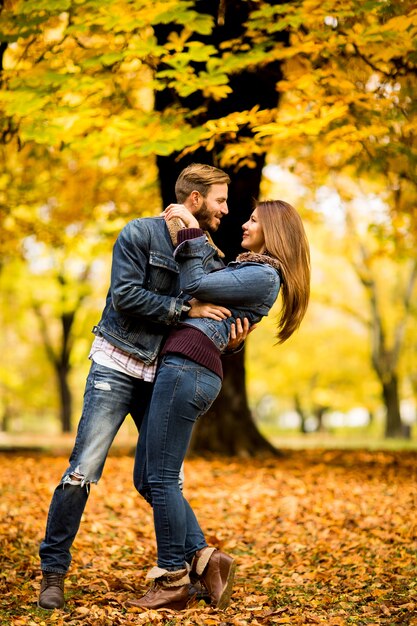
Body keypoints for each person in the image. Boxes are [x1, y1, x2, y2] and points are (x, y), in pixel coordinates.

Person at [38, 163, 250, 610]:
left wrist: (231, 341)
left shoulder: (209, 257)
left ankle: (203, 558)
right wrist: (184, 309)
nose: (226, 210)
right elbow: (126, 296)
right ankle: (53, 574)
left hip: (165, 375)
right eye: (220, 200)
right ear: (194, 200)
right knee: (82, 472)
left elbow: (211, 322)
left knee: (155, 478)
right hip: (117, 364)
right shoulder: (140, 234)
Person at [128, 199, 311, 611]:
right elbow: (208, 304)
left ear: (275, 231)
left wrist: (191, 230)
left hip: (188, 371)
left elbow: (195, 286)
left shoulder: (265, 275)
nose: (243, 224)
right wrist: (232, 337)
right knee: (147, 477)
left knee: (162, 478)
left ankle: (173, 578)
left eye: (253, 220)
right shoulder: (250, 268)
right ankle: (208, 559)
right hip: (183, 366)